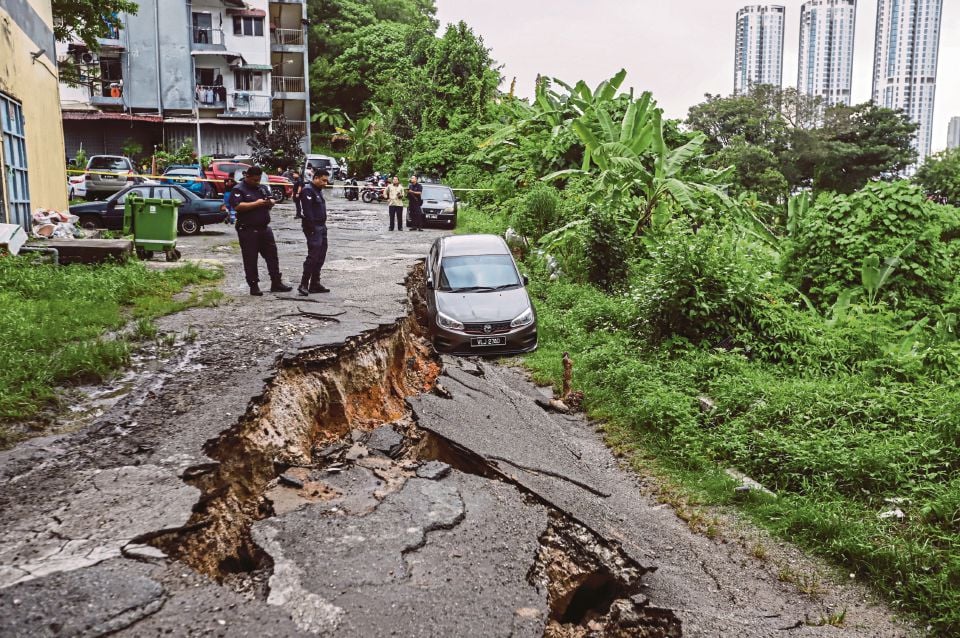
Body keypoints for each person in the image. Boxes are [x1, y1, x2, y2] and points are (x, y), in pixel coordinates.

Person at [229, 166, 293, 296]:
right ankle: (254, 285)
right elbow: (238, 206)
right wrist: (256, 203)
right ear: (247, 177)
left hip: (264, 228)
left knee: (272, 256)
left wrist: (270, 202)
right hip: (248, 229)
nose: (257, 182)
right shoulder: (238, 189)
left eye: (258, 180)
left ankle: (276, 282)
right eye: (254, 180)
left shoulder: (261, 188)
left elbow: (271, 199)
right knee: (251, 258)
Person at [297, 169, 331, 296]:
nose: (325, 183)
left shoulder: (318, 191)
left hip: (322, 227)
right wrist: (311, 229)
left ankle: (315, 283)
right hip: (313, 227)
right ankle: (303, 283)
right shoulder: (307, 190)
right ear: (315, 178)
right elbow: (307, 212)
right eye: (323, 180)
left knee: (321, 255)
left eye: (326, 180)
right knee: (313, 255)